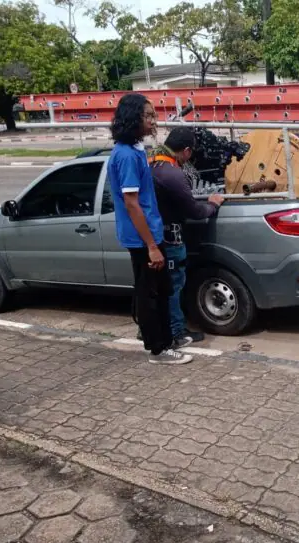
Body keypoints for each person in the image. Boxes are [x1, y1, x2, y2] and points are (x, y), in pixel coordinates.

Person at [107, 93, 192, 366]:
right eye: (148, 116)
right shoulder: (126, 156)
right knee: (151, 294)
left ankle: (168, 338)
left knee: (162, 289)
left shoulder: (133, 151)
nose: (153, 121)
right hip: (143, 239)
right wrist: (152, 247)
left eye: (152, 115)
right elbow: (132, 204)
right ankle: (158, 348)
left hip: (151, 234)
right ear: (133, 118)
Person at [147, 127, 226, 347]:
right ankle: (177, 333)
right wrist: (212, 204)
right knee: (174, 287)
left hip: (154, 238)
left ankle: (153, 328)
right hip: (170, 240)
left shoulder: (151, 163)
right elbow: (195, 211)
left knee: (155, 288)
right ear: (187, 151)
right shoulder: (172, 173)